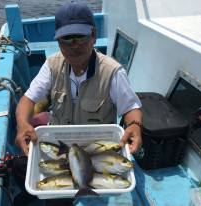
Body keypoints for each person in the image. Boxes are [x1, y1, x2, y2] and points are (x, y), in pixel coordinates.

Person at [15, 2, 142, 157]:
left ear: (93, 36)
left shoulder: (112, 72)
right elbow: (28, 99)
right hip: (60, 146)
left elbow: (130, 108)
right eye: (67, 39)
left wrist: (135, 126)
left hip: (97, 149)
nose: (74, 46)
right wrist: (22, 125)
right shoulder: (51, 65)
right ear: (59, 43)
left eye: (81, 38)